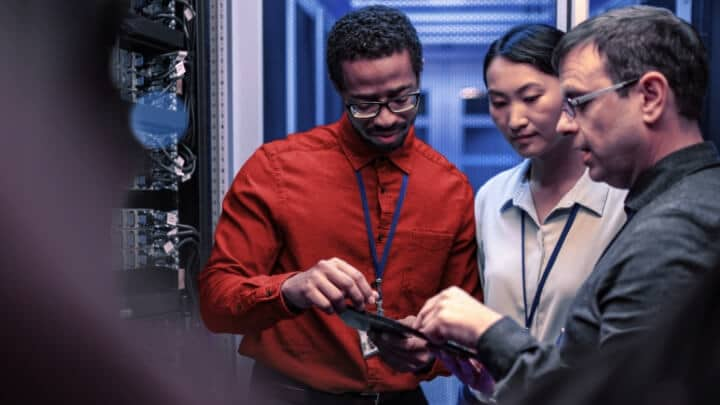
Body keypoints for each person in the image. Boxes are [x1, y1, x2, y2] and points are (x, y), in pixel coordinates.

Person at [413, 5, 720, 403]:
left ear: (650, 96)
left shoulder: (676, 227)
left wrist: (491, 333)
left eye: (580, 102)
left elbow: (609, 393)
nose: (565, 123)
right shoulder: (672, 204)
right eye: (499, 101)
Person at [198, 5, 481, 404]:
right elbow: (216, 304)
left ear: (419, 76)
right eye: (364, 104)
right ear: (339, 89)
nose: (385, 119)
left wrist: (429, 353)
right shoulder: (275, 169)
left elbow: (467, 322)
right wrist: (289, 288)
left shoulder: (451, 188)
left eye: (402, 99)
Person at [455, 23, 627, 404]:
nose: (515, 119)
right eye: (499, 102)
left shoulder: (621, 198)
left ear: (571, 93)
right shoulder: (490, 198)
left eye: (531, 97)